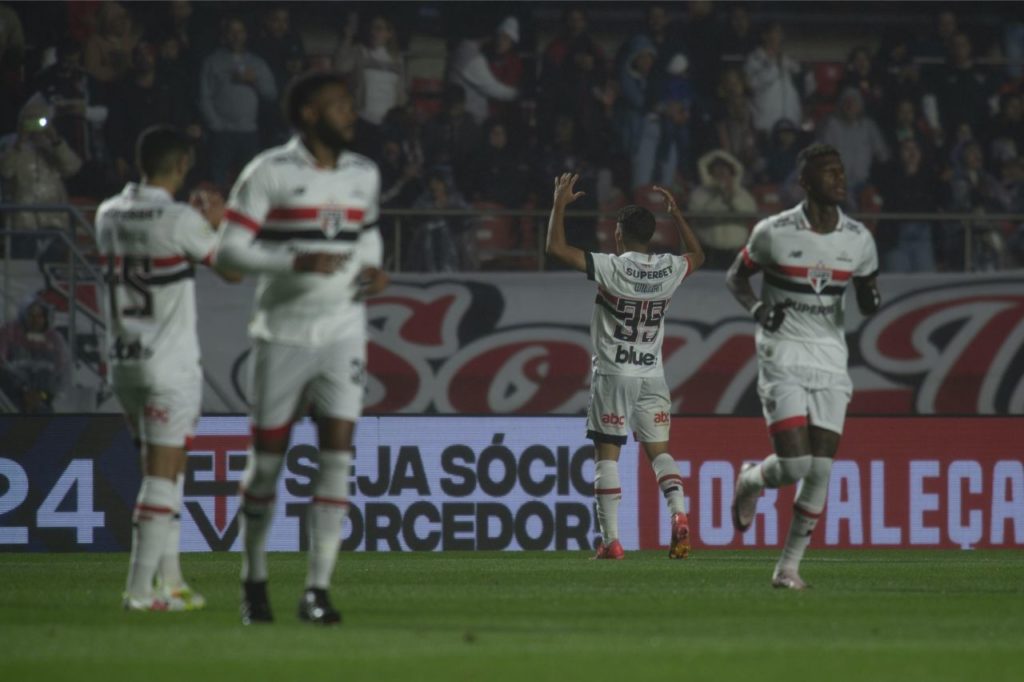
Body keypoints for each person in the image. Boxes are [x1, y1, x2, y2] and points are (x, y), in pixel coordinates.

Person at [213, 70, 390, 625]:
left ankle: (318, 590)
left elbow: (367, 234)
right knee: (266, 466)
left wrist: (374, 268)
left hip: (343, 330)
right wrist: (296, 259)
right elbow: (228, 252)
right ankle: (254, 579)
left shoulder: (364, 174)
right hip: (282, 333)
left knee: (338, 457)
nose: (350, 114)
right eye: (340, 106)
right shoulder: (269, 172)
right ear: (311, 115)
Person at [95, 125, 238, 611]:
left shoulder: (107, 213)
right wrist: (218, 220)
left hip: (123, 363)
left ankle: (171, 582)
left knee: (165, 471)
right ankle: (139, 592)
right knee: (162, 475)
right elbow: (233, 268)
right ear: (181, 166)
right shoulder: (179, 219)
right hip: (168, 364)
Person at [726, 143, 881, 590]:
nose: (840, 178)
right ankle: (751, 479)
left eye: (840, 170)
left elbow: (869, 294)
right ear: (806, 182)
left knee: (822, 468)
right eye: (828, 172)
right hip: (782, 352)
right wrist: (757, 309)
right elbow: (735, 277)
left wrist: (871, 299)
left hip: (831, 359)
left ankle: (788, 568)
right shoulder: (773, 232)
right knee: (795, 465)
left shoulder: (859, 239)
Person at [545, 173, 706, 560]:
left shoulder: (612, 268)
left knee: (607, 454)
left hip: (615, 373)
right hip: (652, 373)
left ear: (618, 234)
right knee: (660, 452)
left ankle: (611, 540)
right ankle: (680, 515)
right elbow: (699, 256)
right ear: (651, 234)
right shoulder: (668, 269)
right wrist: (678, 215)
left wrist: (558, 205)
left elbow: (556, 248)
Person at [199, 16, 277, 188]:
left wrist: (254, 80)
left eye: (240, 31)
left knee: (250, 182)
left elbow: (271, 94)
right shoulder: (212, 62)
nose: (236, 36)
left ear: (246, 34)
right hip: (222, 134)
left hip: (249, 133)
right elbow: (204, 96)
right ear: (225, 35)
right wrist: (216, 125)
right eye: (231, 32)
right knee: (218, 182)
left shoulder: (257, 63)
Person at [0, 94, 82, 258]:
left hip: (55, 225)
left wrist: (55, 139)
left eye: (40, 120)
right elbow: (5, 171)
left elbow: (73, 168)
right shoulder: (8, 144)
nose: (35, 125)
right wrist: (20, 143)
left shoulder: (55, 146)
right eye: (30, 120)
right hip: (21, 226)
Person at [0, 298, 69, 413]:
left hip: (42, 399)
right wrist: (22, 391)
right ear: (23, 316)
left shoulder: (56, 339)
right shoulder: (8, 333)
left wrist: (42, 395)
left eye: (39, 316)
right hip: (10, 401)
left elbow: (62, 373)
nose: (35, 320)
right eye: (31, 316)